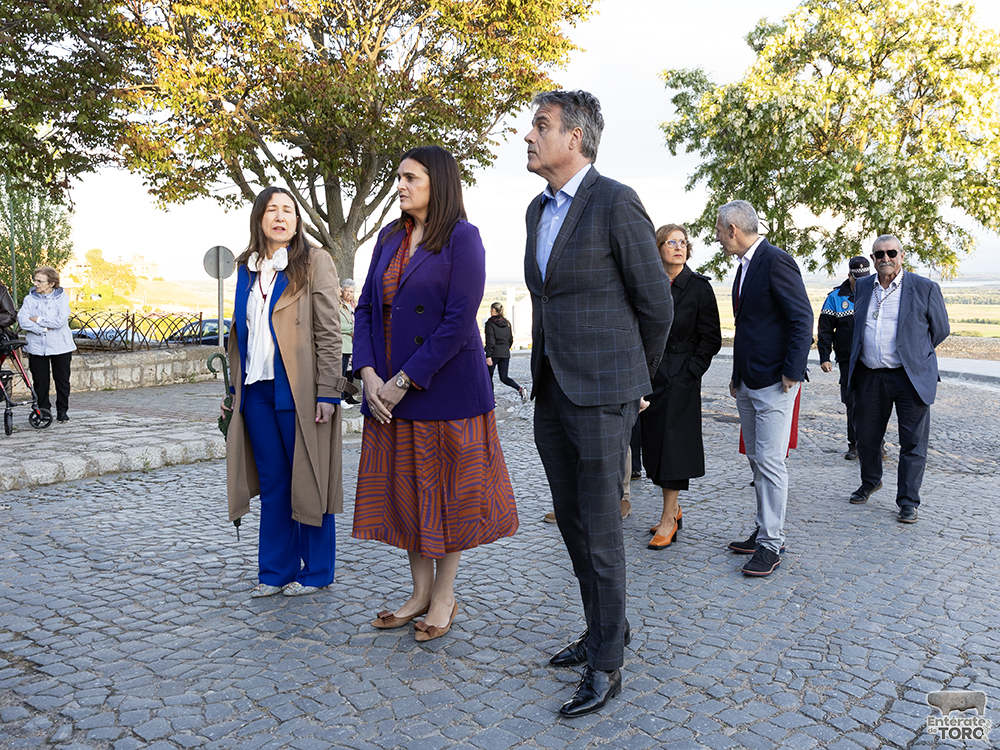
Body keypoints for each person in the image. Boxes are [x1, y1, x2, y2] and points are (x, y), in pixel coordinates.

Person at [523, 90, 673, 717]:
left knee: (604, 531)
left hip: (605, 395)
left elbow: (656, 305)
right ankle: (601, 629)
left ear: (575, 138)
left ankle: (609, 663)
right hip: (553, 391)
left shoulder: (615, 201)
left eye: (540, 126)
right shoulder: (537, 210)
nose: (528, 136)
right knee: (575, 525)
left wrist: (637, 383)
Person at [352, 145, 518, 643]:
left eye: (411, 178)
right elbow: (364, 310)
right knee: (407, 494)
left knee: (446, 496)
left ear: (438, 183)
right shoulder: (388, 237)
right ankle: (419, 592)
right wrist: (367, 374)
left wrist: (404, 381)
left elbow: (455, 322)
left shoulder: (464, 239)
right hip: (386, 392)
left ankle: (444, 596)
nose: (400, 186)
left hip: (444, 390)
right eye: (398, 177)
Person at [225, 186, 352, 598]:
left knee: (310, 480)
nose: (281, 217)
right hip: (256, 392)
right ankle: (275, 571)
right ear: (259, 218)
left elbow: (329, 334)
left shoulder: (315, 262)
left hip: (299, 390)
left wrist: (329, 392)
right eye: (272, 210)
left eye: (289, 211)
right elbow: (240, 334)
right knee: (276, 483)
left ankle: (316, 571)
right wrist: (232, 389)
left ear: (297, 221)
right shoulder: (246, 268)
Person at [720, 201, 813, 577]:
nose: (718, 240)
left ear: (734, 230)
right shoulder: (745, 267)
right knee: (757, 459)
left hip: (776, 380)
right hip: (747, 379)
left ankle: (772, 544)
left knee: (771, 462)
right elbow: (750, 326)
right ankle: (763, 529)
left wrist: (792, 371)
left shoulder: (776, 260)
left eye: (718, 232)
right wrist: (736, 375)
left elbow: (802, 315)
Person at [846, 235, 949, 523]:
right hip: (870, 375)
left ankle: (907, 501)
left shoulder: (924, 288)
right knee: (866, 437)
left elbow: (940, 330)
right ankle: (870, 481)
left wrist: (914, 354)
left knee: (913, 443)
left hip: (909, 377)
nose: (885, 258)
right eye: (879, 254)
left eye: (891, 252)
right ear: (873, 258)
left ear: (902, 256)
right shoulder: (864, 286)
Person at [642, 224, 722, 550]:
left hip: (681, 377)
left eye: (683, 242)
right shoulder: (647, 284)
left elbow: (711, 339)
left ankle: (667, 520)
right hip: (649, 376)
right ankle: (673, 509)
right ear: (658, 247)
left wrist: (691, 372)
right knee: (654, 444)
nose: (679, 247)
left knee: (673, 447)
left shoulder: (699, 288)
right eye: (671, 242)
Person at [818, 257, 871, 460]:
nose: (862, 282)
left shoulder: (876, 293)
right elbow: (825, 330)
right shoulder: (835, 297)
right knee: (853, 402)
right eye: (857, 279)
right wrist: (825, 357)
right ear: (849, 276)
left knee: (876, 401)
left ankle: (877, 445)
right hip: (848, 359)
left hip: (873, 358)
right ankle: (855, 445)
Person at [17, 267, 76, 422]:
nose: (36, 284)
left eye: (40, 281)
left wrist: (38, 319)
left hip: (60, 346)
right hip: (37, 346)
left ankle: (62, 410)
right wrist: (42, 328)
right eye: (35, 280)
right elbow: (22, 320)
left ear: (51, 283)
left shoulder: (62, 299)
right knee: (40, 381)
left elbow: (60, 321)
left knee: (62, 380)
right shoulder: (29, 299)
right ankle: (43, 410)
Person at [484, 302, 527, 402]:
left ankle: (491, 399)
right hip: (505, 353)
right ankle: (519, 389)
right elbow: (510, 339)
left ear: (494, 310)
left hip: (494, 353)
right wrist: (506, 349)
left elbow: (490, 340)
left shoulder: (490, 323)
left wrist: (488, 355)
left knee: (488, 376)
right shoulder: (507, 323)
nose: (490, 311)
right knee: (504, 377)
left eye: (491, 309)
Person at [339, 279, 360, 405]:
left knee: (351, 371)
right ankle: (341, 396)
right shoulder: (339, 305)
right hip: (344, 343)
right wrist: (352, 328)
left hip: (354, 343)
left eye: (351, 291)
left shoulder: (356, 306)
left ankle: (349, 395)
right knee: (342, 371)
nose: (348, 294)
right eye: (346, 291)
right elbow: (337, 324)